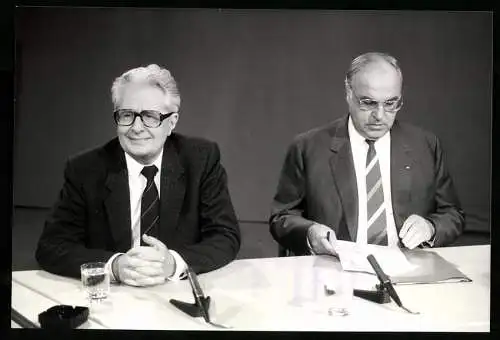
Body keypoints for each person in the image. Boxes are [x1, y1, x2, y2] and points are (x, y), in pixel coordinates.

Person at [36, 64, 241, 286]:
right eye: (127, 115)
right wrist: (114, 266)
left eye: (150, 117)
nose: (136, 127)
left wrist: (172, 263)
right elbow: (52, 245)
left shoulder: (201, 160)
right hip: (113, 298)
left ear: (171, 123)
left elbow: (224, 236)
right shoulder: (85, 169)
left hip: (176, 291)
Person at [269, 52, 464, 256]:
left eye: (390, 104)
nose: (379, 116)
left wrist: (431, 227)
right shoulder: (308, 147)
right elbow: (282, 217)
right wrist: (309, 233)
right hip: (335, 268)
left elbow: (452, 214)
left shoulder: (425, 144)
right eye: (368, 103)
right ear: (348, 93)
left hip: (407, 268)